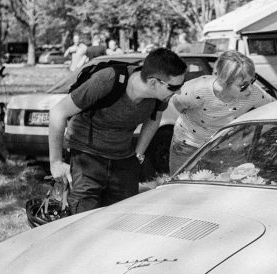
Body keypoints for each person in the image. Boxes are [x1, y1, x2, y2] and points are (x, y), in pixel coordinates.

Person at [48, 47, 187, 213]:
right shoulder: (108, 80)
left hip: (123, 158)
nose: (179, 91)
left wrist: (139, 154)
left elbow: (154, 118)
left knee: (122, 216)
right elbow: (58, 112)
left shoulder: (160, 96)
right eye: (174, 87)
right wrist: (55, 162)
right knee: (83, 218)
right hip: (87, 155)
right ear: (153, 83)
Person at [168, 50, 273, 173]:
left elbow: (276, 110)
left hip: (226, 147)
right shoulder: (197, 90)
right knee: (183, 188)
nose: (250, 88)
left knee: (230, 186)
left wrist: (246, 136)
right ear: (224, 82)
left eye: (252, 81)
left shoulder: (254, 94)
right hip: (188, 145)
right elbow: (176, 104)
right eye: (243, 85)